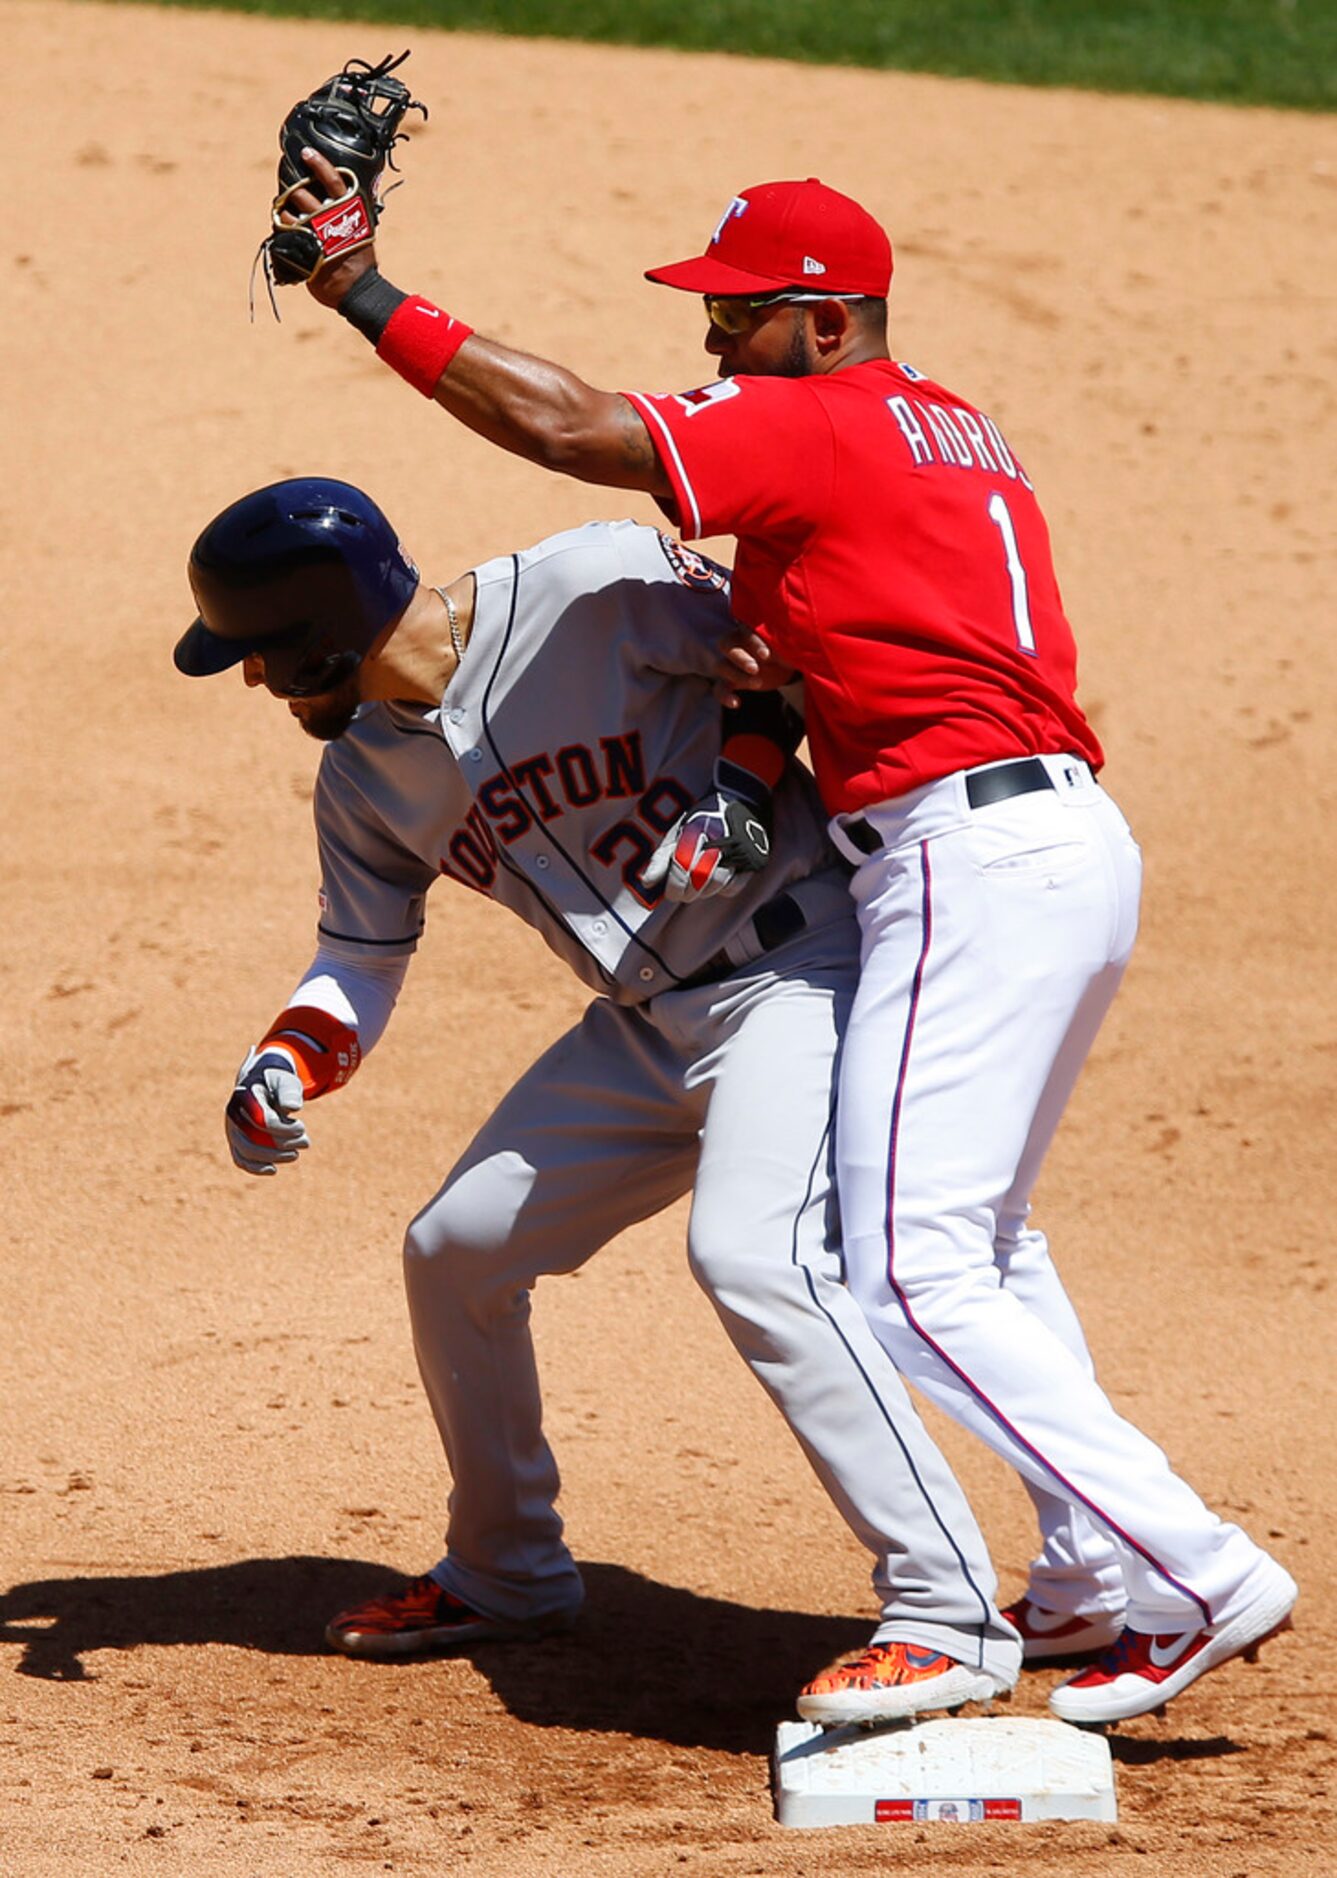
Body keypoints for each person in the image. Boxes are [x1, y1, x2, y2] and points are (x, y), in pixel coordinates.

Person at [274, 161, 1297, 1726]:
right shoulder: (938, 426)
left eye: (740, 317)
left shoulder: (818, 416)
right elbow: (791, 651)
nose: (716, 350)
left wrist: (358, 285)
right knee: (982, 1241)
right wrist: (754, 757)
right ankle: (1097, 1576)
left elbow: (565, 427)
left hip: (959, 851)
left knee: (895, 1267)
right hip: (1039, 837)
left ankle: (1188, 1571)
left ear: (825, 322)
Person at [174, 475, 1023, 1725]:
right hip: (642, 1025)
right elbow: (359, 958)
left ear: (321, 633)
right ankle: (506, 1570)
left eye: (256, 654)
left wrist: (739, 782)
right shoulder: (366, 776)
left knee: (754, 1258)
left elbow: (794, 656)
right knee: (454, 1248)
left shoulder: (593, 588)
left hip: (800, 969)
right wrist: (285, 1060)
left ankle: (946, 1612)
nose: (251, 682)